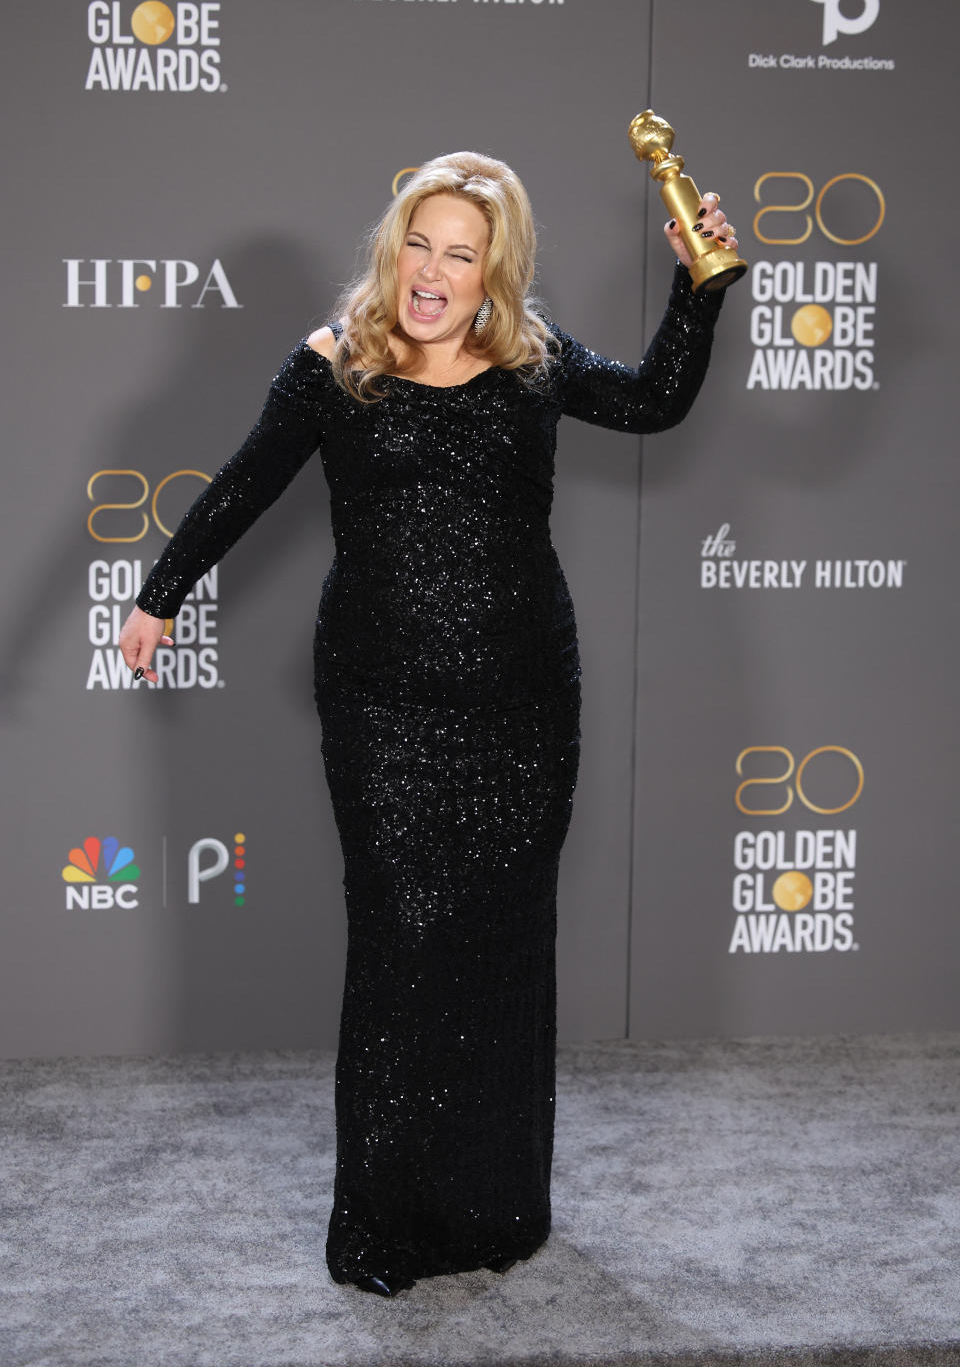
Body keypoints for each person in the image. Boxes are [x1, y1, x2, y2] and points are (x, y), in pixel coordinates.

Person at [120, 151, 737, 1297]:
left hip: (523, 704)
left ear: (493, 272)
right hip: (384, 705)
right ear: (392, 246)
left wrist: (698, 287)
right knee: (404, 945)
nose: (434, 272)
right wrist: (159, 594)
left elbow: (656, 401)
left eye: (463, 254)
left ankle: (491, 1207)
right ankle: (385, 1223)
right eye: (421, 244)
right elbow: (242, 488)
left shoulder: (535, 362)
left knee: (499, 945)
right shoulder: (331, 369)